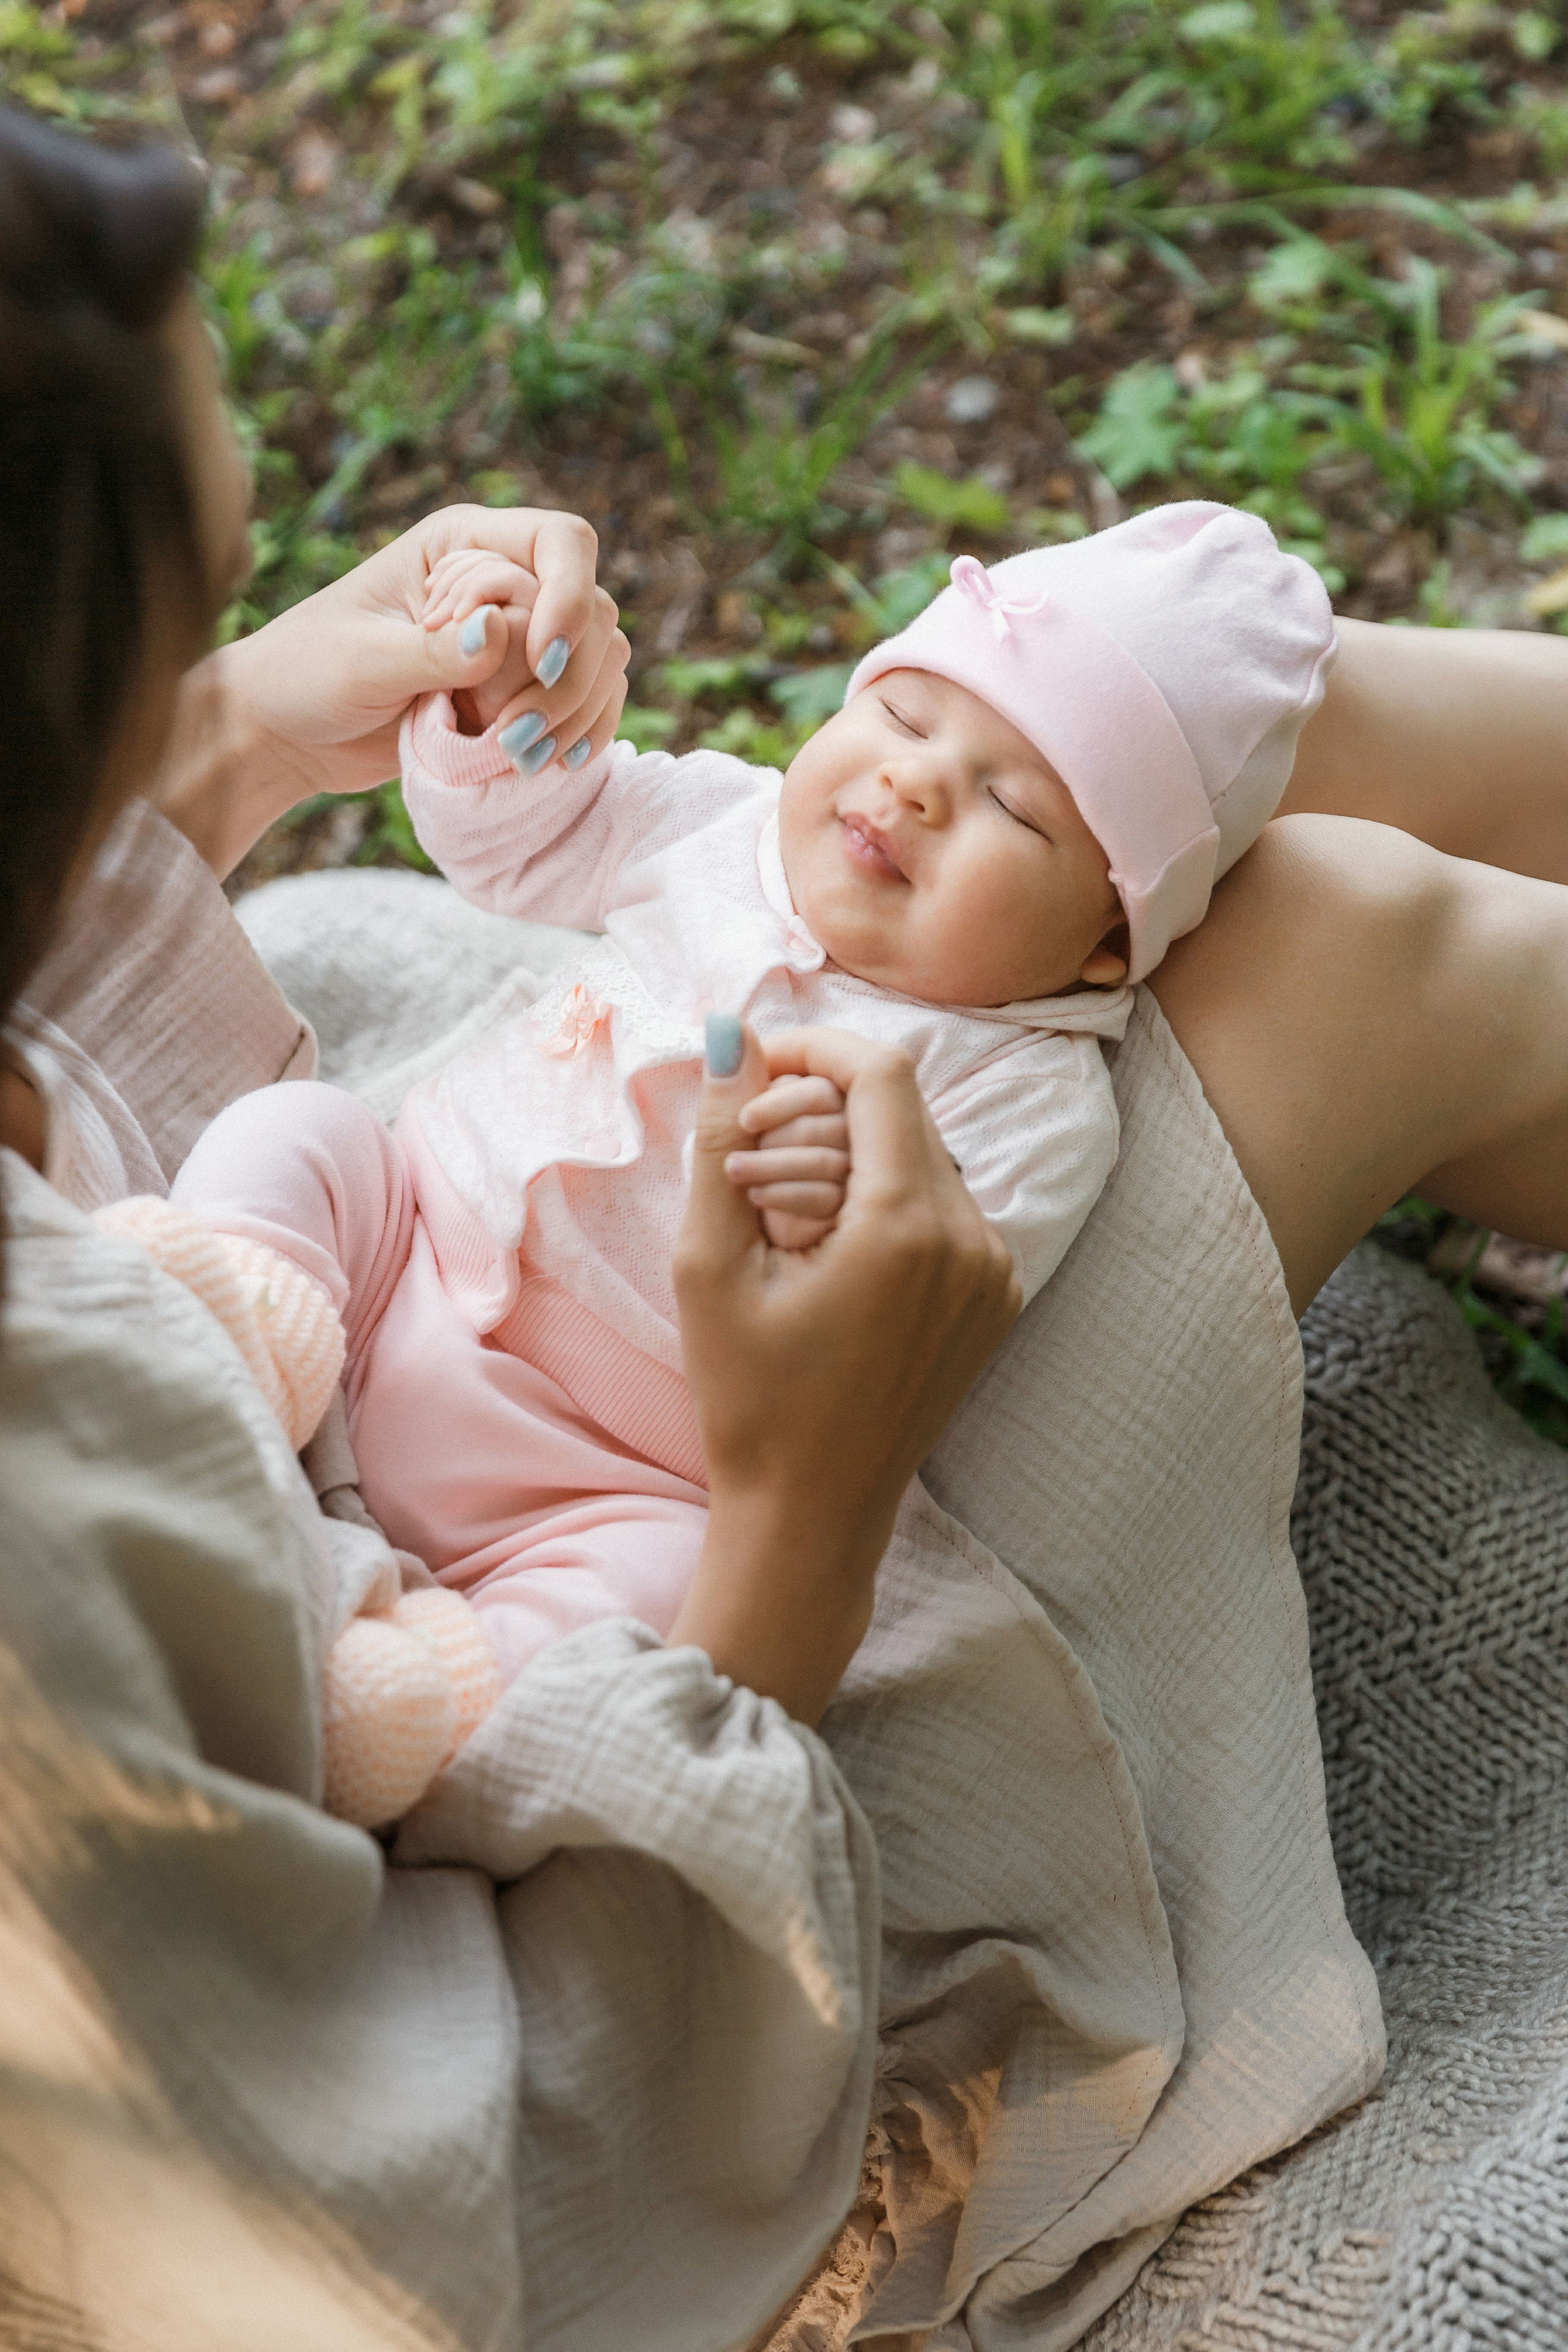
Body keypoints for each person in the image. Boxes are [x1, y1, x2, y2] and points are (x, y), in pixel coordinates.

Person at [8, 92, 1568, 2352]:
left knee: (1194, 706)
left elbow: (589, 841)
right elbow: (435, 2216)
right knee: (1335, 929)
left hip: (434, 1416)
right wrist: (813, 1485)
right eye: (186, 568)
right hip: (626, 1869)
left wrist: (235, 725)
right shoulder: (51, 1575)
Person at [138, 505, 1336, 1826]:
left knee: (654, 1588)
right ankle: (226, 1333)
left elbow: (927, 1296)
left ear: (1105, 946)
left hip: (604, 1469)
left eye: (1010, 804)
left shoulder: (1031, 1094)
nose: (918, 784)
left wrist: (827, 1213)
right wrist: (491, 737)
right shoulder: (732, 825)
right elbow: (524, 844)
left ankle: (413, 1686)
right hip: (405, 1248)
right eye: (905, 717)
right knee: (301, 1137)